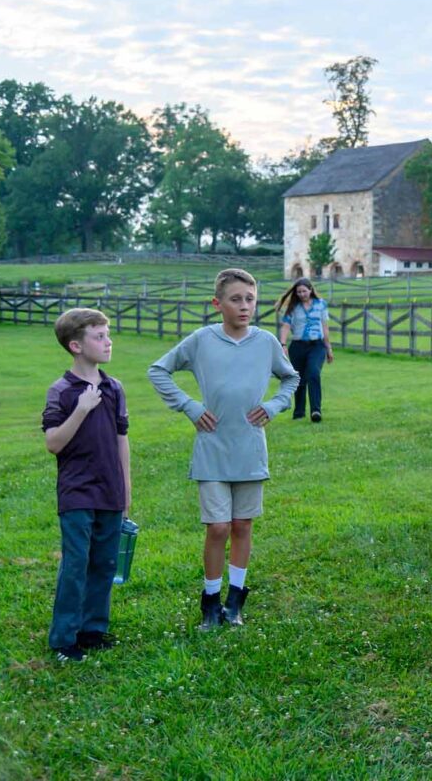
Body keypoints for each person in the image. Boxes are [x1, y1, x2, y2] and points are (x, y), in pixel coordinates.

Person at [148, 268, 299, 631]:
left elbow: (291, 377)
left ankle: (235, 602)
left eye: (250, 299)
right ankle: (210, 603)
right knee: (218, 527)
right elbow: (159, 370)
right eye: (236, 299)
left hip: (249, 447)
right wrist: (191, 406)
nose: (245, 306)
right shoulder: (201, 340)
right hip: (212, 447)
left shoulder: (265, 342)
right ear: (218, 304)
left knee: (242, 525)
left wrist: (275, 405)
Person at [42, 308, 132, 663]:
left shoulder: (115, 387)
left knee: (105, 562)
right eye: (99, 336)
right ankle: (64, 639)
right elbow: (53, 443)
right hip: (77, 492)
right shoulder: (61, 391)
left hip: (110, 490)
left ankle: (92, 630)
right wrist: (81, 409)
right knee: (76, 563)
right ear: (76, 345)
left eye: (108, 335)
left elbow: (122, 440)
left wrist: (126, 488)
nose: (108, 341)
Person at [276, 277, 332, 423]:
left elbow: (325, 327)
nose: (301, 294)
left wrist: (328, 348)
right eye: (299, 292)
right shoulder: (293, 308)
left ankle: (316, 410)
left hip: (317, 346)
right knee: (299, 380)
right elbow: (286, 326)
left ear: (310, 290)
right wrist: (282, 344)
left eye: (304, 291)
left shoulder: (321, 305)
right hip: (298, 346)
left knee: (313, 373)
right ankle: (299, 413)